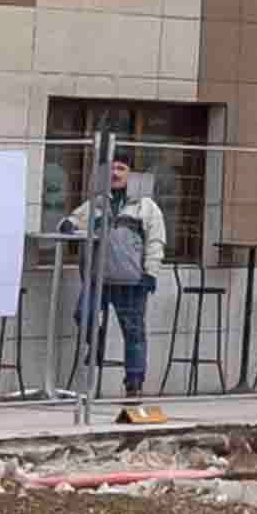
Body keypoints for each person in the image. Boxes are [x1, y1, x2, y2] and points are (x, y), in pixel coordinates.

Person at [81, 156, 165, 415]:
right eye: (112, 168)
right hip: (100, 279)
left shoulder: (145, 206)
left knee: (134, 332)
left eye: (122, 168)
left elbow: (156, 241)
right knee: (82, 314)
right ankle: (96, 339)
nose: (116, 173)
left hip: (131, 280)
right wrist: (68, 224)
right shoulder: (97, 202)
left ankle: (134, 383)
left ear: (132, 173)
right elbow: (75, 221)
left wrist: (151, 273)